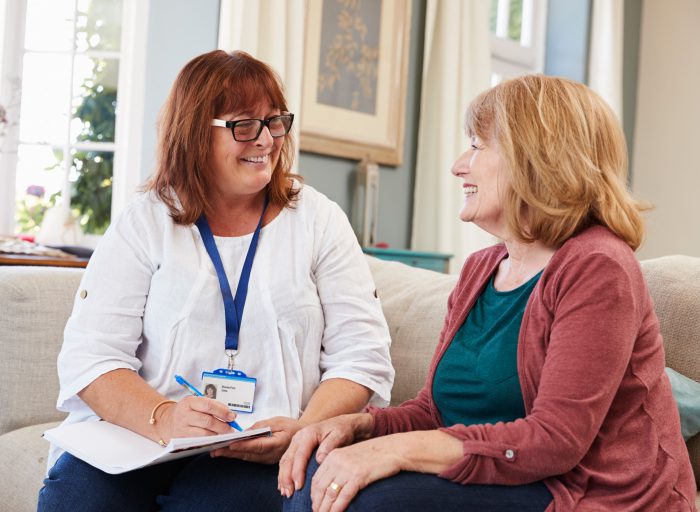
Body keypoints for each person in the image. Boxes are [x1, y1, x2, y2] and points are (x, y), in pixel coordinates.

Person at [279, 75, 698, 511]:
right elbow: (434, 412)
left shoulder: (598, 266)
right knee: (319, 475)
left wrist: (396, 451)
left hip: (587, 493)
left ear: (537, 159)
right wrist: (356, 429)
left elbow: (556, 441)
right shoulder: (481, 269)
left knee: (366, 502)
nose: (459, 165)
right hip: (513, 483)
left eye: (477, 146)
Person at [38, 50, 394, 511]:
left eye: (275, 121)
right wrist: (164, 416)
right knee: (75, 498)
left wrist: (305, 427)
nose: (266, 139)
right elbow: (91, 357)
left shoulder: (318, 220)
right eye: (244, 125)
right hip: (144, 438)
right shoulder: (144, 222)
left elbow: (362, 357)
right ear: (193, 133)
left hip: (266, 449)